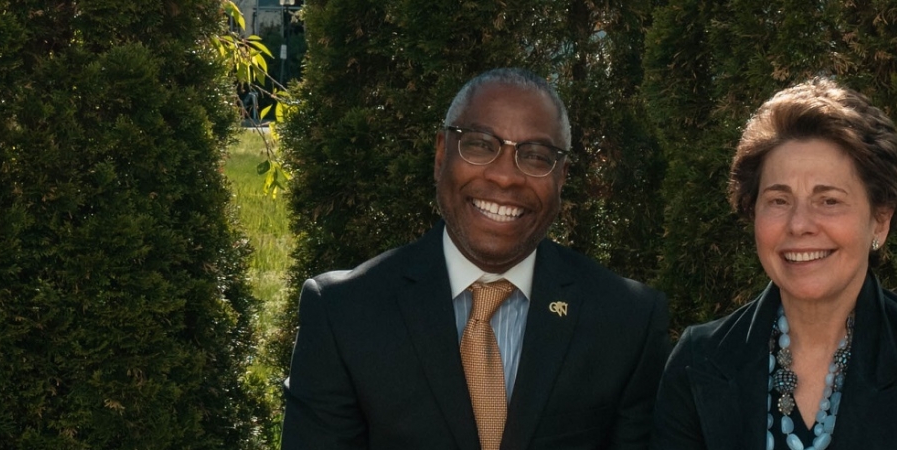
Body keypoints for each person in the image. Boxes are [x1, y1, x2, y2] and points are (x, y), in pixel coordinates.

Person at [282, 68, 671, 450]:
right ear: (440, 155)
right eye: (481, 145)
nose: (505, 177)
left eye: (536, 157)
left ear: (562, 177)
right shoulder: (344, 313)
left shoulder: (626, 321)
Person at [652, 77, 897, 450]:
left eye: (829, 201)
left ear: (879, 220)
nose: (799, 225)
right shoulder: (700, 360)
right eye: (778, 201)